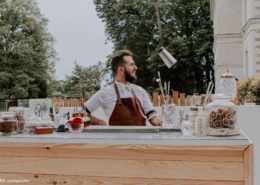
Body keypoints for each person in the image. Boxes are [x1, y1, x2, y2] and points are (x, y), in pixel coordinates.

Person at [84, 50, 162, 126]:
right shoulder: (105, 92)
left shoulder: (141, 91)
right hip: (117, 139)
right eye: (131, 65)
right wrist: (99, 122)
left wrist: (160, 122)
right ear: (121, 69)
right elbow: (81, 113)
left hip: (141, 139)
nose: (135, 67)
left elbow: (152, 114)